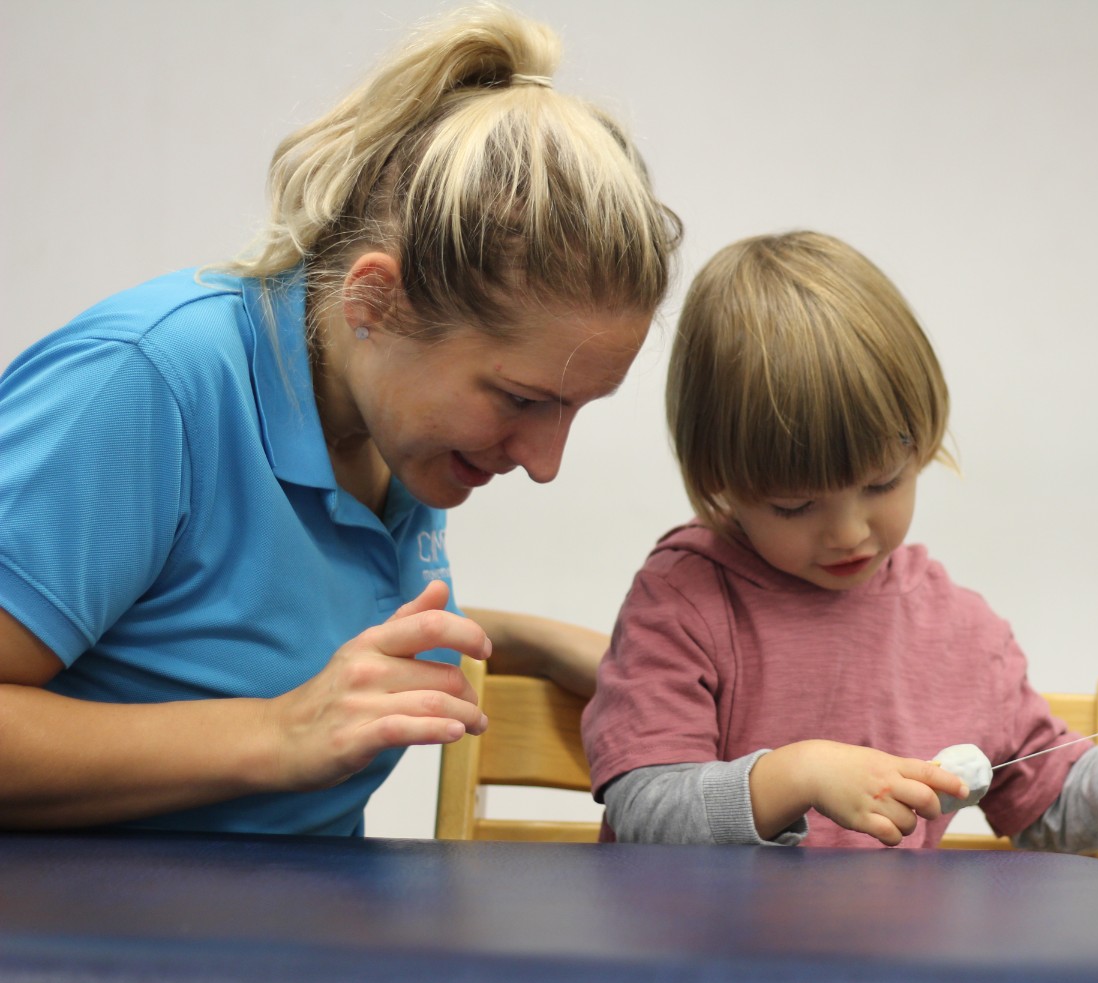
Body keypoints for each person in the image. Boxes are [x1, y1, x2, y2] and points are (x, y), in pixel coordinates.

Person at [0, 5, 680, 836]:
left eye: (573, 408)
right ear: (374, 302)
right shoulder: (148, 382)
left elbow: (239, 627)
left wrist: (532, 642)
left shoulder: (389, 425)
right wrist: (277, 733)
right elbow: (282, 695)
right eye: (521, 398)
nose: (544, 462)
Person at [582, 231, 1098, 849]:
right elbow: (647, 810)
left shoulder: (957, 631)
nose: (848, 531)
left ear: (922, 444)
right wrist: (797, 773)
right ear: (718, 478)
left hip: (882, 974)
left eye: (881, 483)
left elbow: (1050, 803)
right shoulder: (686, 600)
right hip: (697, 972)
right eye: (794, 503)